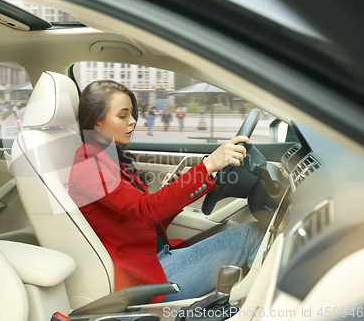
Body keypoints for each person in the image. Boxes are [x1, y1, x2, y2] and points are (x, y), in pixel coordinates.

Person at [68, 80, 264, 303]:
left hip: (157, 259)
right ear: (97, 124)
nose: (133, 121)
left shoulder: (108, 159)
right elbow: (147, 210)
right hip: (148, 280)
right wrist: (209, 165)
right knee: (252, 235)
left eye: (132, 114)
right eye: (123, 116)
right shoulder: (88, 164)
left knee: (253, 234)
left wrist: (178, 188)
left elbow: (145, 219)